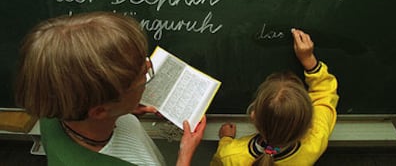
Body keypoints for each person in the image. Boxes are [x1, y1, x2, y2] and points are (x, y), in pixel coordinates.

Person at [14, 11, 206, 166]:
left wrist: (126, 108)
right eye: (142, 76)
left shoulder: (56, 108)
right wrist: (184, 157)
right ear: (99, 111)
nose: (148, 66)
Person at [210, 28, 339, 166]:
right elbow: (325, 94)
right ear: (308, 120)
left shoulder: (231, 156)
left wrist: (226, 139)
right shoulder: (314, 142)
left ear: (253, 116)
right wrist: (309, 60)